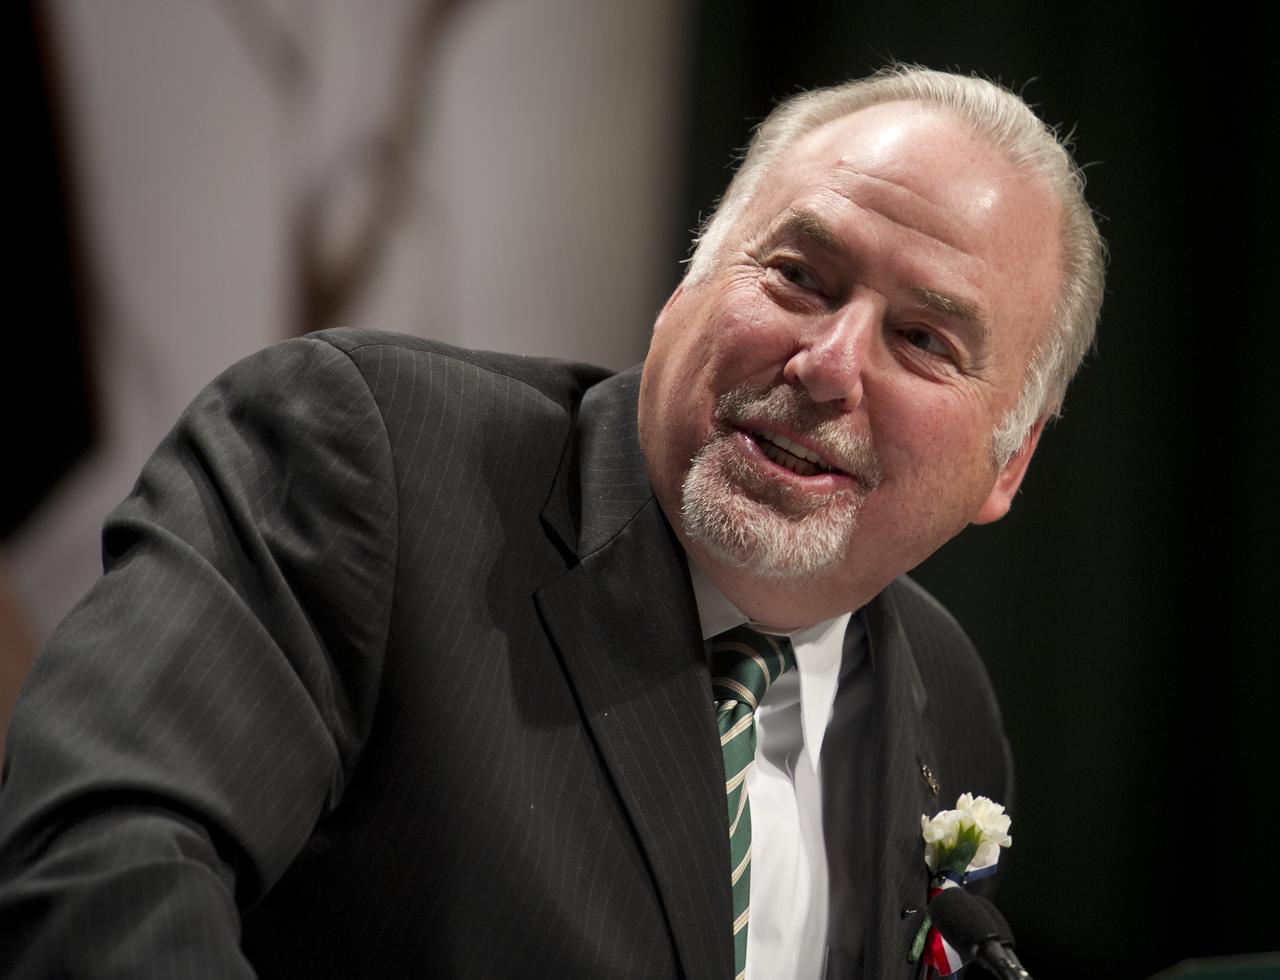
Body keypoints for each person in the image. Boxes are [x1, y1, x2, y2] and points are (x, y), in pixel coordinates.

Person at [0, 65, 1104, 979]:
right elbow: (105, 861)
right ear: (685, 286)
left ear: (1008, 461)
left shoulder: (942, 695)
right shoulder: (365, 456)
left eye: (921, 340)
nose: (823, 366)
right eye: (796, 275)